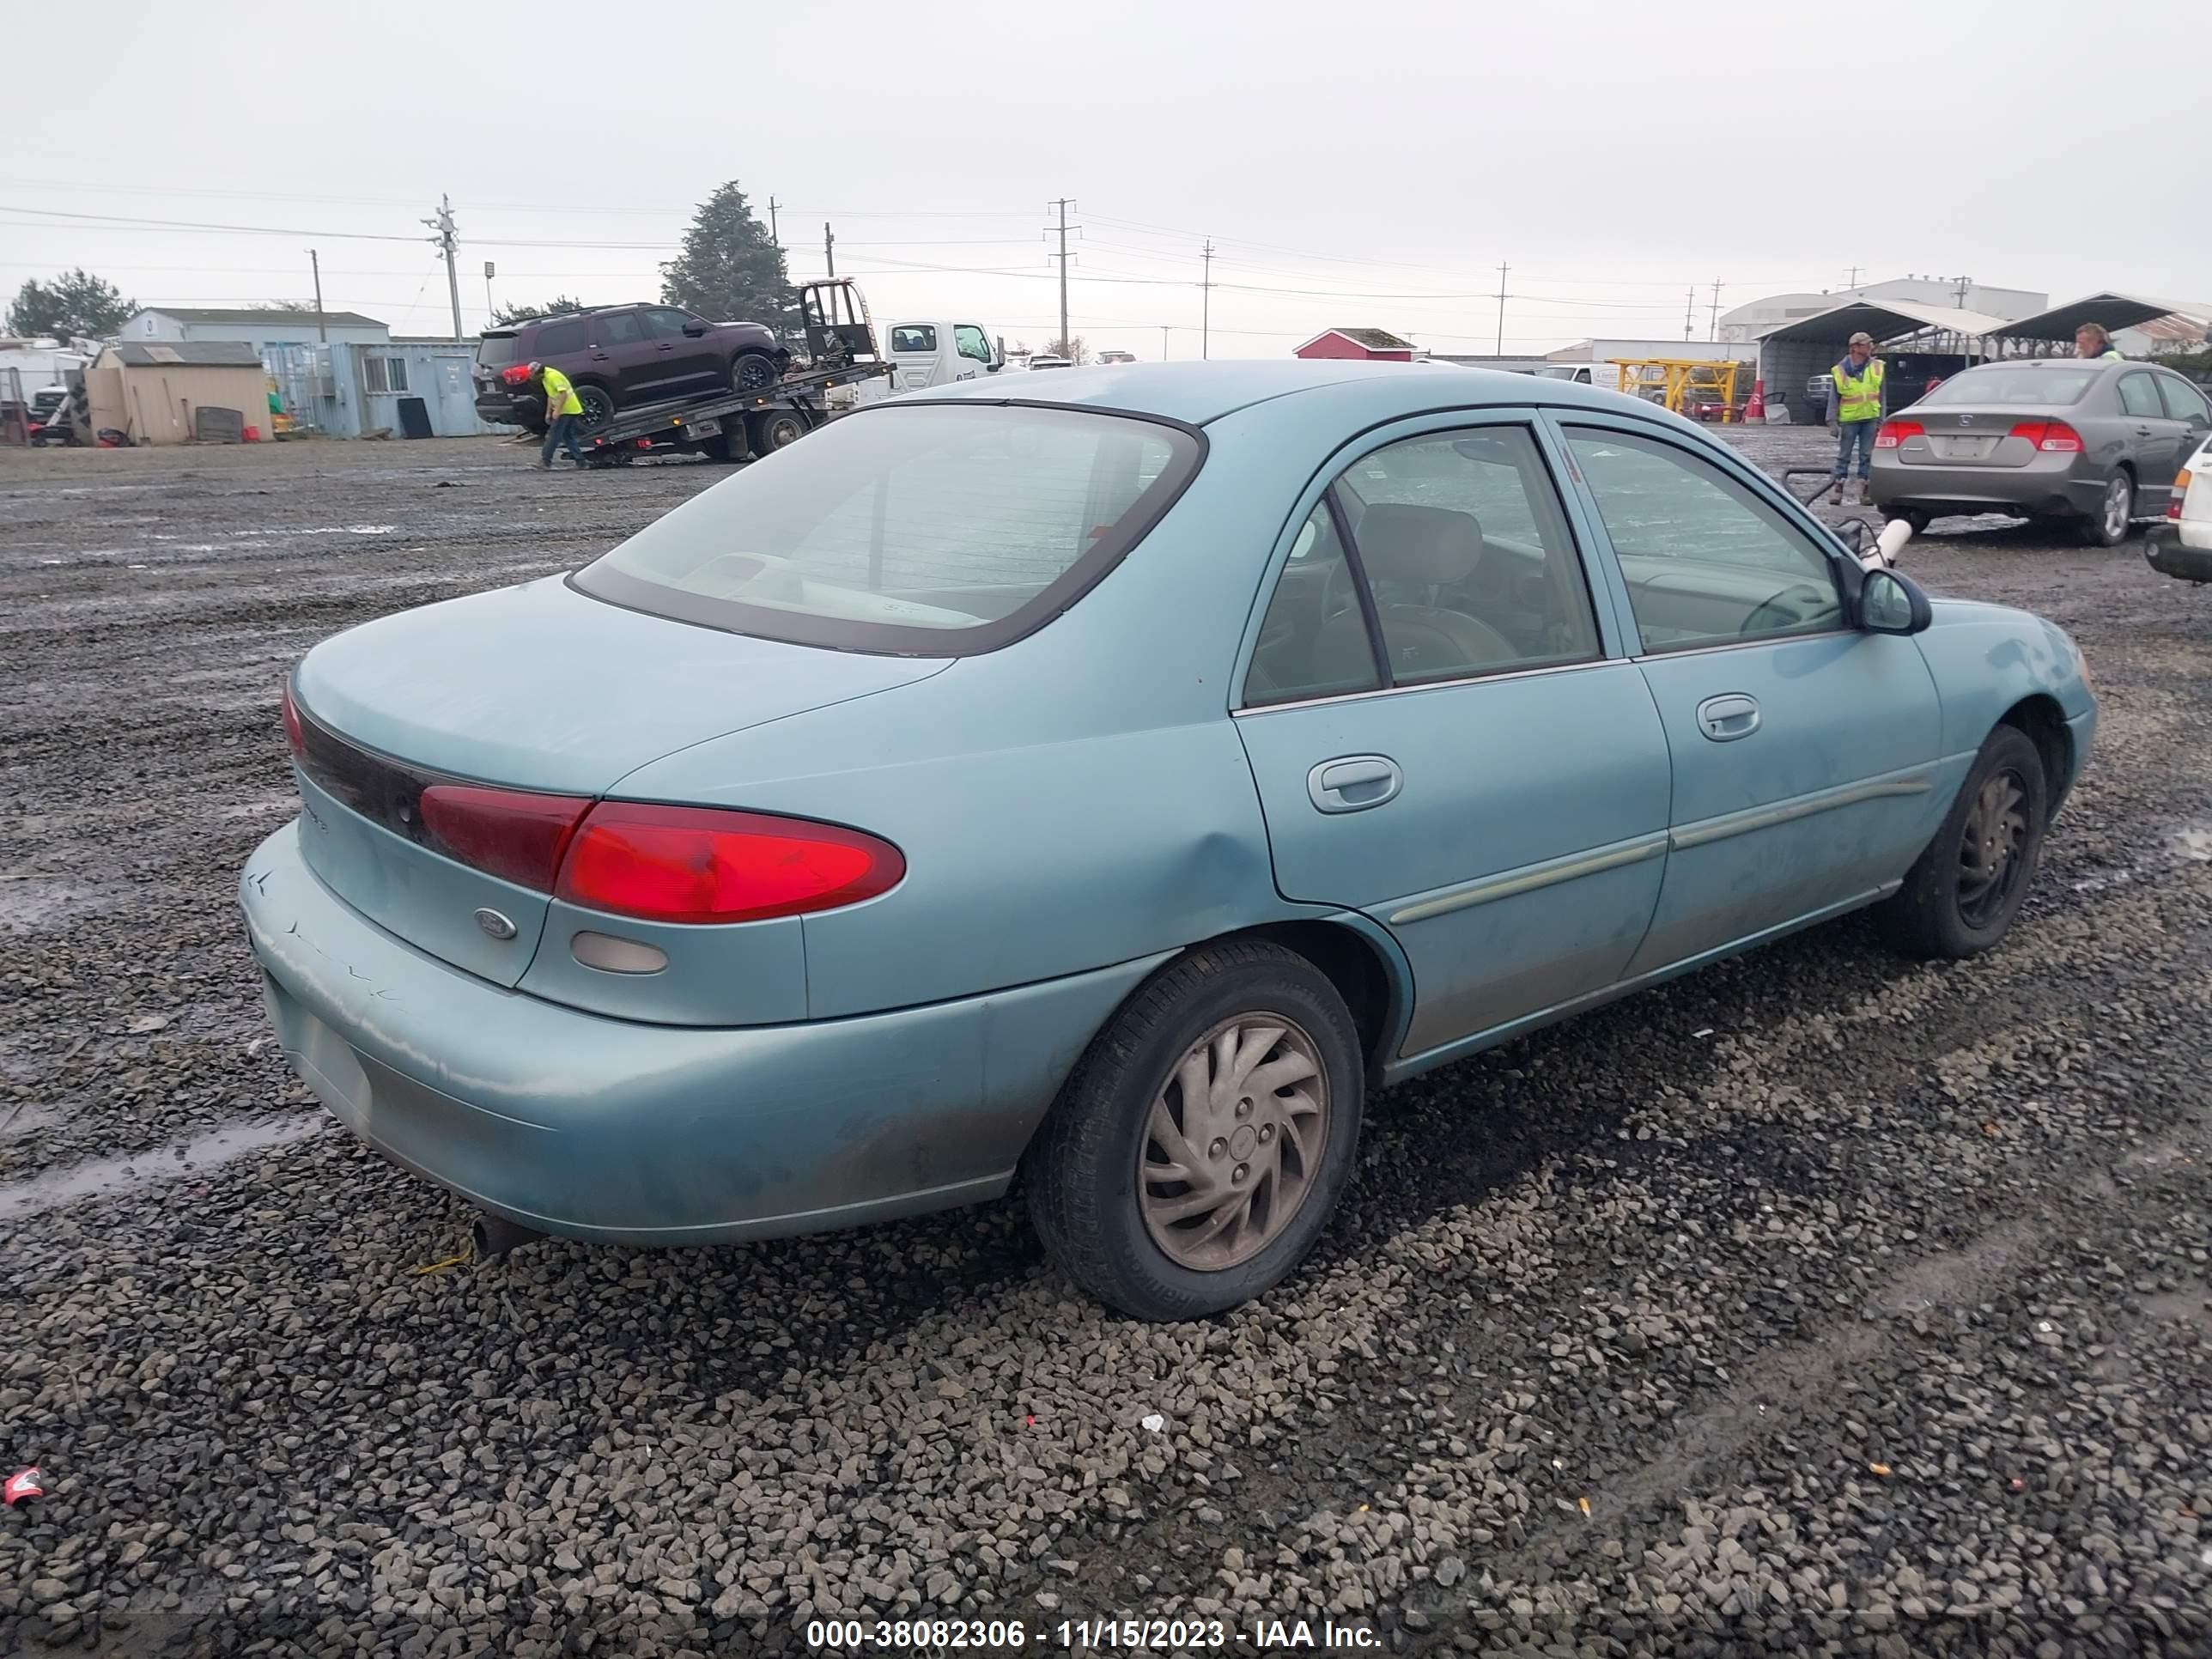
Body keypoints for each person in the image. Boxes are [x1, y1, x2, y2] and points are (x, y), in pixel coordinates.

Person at [1826, 331, 1886, 505]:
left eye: (1870, 344)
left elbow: (1882, 395)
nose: (1870, 347)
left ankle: (1865, 489)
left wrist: (1881, 419)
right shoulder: (1840, 370)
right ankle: (1838, 487)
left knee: (1867, 455)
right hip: (1850, 419)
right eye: (1866, 344)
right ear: (1855, 347)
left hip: (1870, 418)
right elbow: (1833, 397)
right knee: (1844, 455)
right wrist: (1832, 421)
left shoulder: (1877, 367)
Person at [532, 362, 587, 468]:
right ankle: (581, 462)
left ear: (539, 373)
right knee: (567, 436)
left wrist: (557, 411)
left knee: (553, 435)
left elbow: (563, 394)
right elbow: (551, 396)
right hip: (569, 409)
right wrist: (548, 412)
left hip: (567, 410)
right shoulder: (545, 378)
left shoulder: (553, 376)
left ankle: (545, 461)